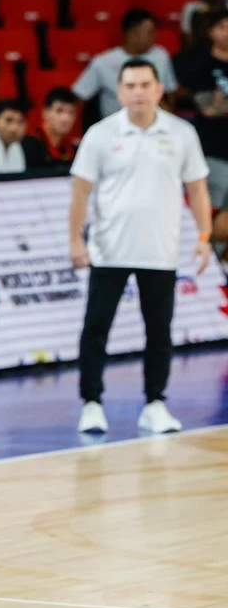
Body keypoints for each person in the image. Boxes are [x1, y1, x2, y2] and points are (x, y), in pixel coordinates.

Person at [70, 59, 212, 435]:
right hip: (109, 249)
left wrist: (203, 237)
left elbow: (197, 189)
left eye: (145, 84)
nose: (138, 92)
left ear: (158, 89)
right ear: (119, 91)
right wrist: (74, 240)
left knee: (159, 330)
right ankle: (92, 403)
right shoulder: (100, 135)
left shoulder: (181, 133)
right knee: (96, 327)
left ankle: (155, 402)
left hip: (159, 251)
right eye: (130, 85)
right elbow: (80, 193)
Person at [73, 9, 178, 118]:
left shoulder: (160, 55)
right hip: (114, 127)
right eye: (150, 32)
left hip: (153, 125)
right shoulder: (103, 62)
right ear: (132, 34)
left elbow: (170, 90)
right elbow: (79, 94)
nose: (154, 37)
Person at [185, 10, 228, 209]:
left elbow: (217, 105)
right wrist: (215, 105)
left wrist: (220, 102)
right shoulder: (201, 65)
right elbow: (208, 109)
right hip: (212, 148)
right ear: (211, 32)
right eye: (221, 27)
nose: (227, 32)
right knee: (213, 208)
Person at [22, 88, 81, 171]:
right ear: (45, 112)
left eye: (71, 112)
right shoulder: (29, 145)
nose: (66, 118)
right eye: (59, 111)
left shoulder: (75, 149)